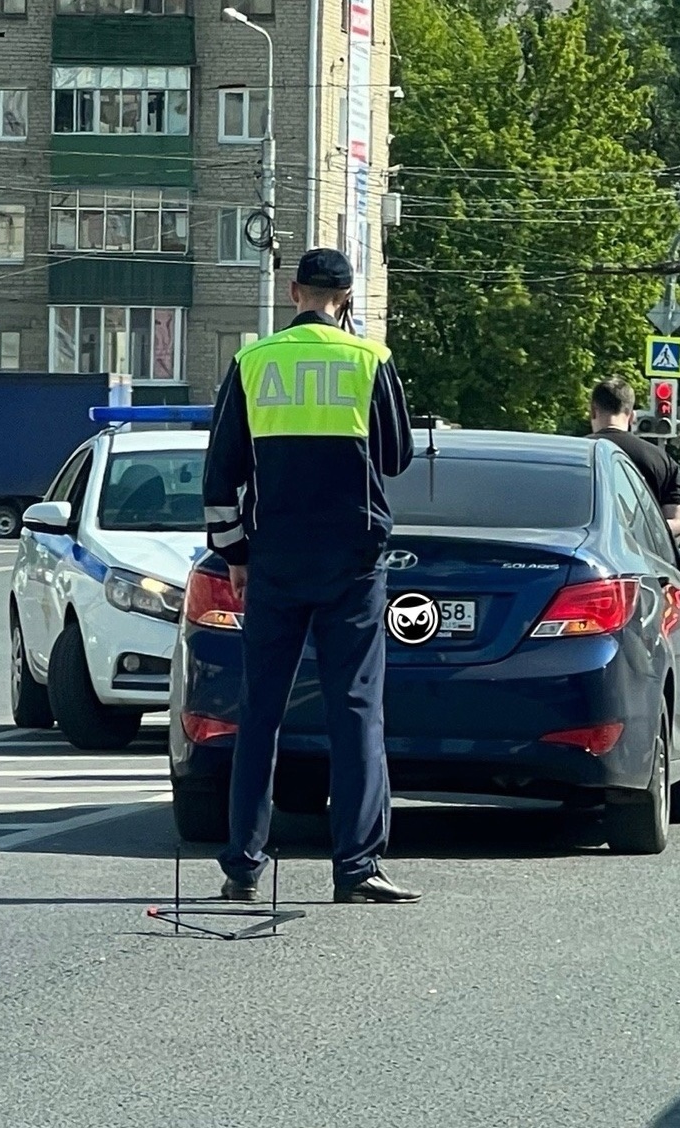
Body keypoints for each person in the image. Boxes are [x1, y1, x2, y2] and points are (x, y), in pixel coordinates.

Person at [202, 248, 419, 905]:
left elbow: (219, 479)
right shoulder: (370, 361)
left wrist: (236, 555)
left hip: (272, 562)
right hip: (352, 563)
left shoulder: (253, 362)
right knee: (354, 710)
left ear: (291, 288)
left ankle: (243, 863)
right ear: (347, 295)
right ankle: (355, 867)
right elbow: (397, 456)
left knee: (261, 710)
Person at [588, 377, 680, 536]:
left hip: (583, 552)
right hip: (643, 559)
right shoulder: (660, 460)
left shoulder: (574, 455)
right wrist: (638, 537)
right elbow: (679, 522)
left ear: (593, 411)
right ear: (632, 416)